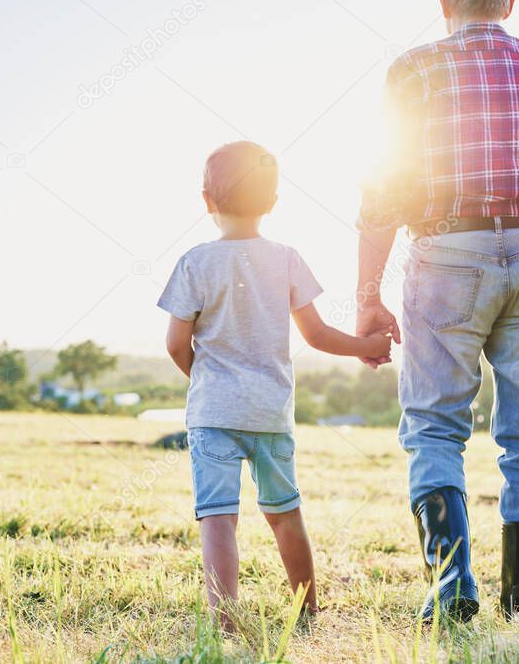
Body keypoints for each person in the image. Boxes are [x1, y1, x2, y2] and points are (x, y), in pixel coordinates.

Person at [356, 0, 519, 622]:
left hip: (446, 251)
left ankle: (451, 593)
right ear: (510, 1)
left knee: (436, 427)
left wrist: (367, 295)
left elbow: (384, 191)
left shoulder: (412, 70)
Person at [158, 141, 392, 629]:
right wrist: (365, 346)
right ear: (274, 201)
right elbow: (319, 334)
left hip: (213, 414)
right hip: (269, 412)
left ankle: (225, 619)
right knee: (285, 513)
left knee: (219, 517)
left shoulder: (195, 263)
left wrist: (204, 378)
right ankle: (307, 609)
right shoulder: (286, 258)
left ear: (207, 200)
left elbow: (177, 343)